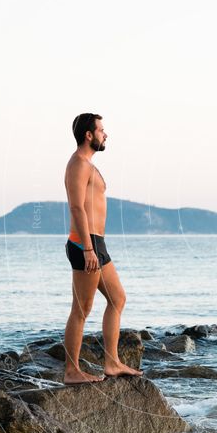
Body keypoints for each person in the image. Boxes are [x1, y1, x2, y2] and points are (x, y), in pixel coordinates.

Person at [62, 112, 143, 384]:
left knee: (118, 298)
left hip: (98, 243)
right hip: (84, 243)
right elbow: (76, 207)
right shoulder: (78, 164)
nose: (105, 134)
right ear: (88, 134)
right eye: (101, 130)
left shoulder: (89, 165)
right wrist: (87, 248)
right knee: (81, 310)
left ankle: (112, 362)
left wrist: (94, 246)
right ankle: (72, 371)